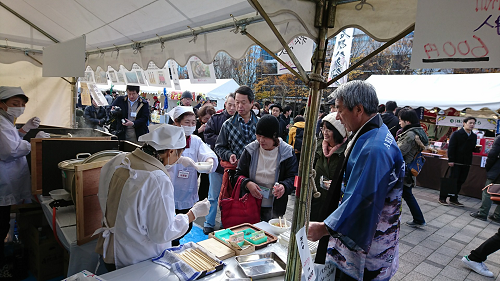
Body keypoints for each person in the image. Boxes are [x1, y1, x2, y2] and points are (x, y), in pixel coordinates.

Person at [307, 81, 405, 281]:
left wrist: (325, 228)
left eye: (340, 110)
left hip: (368, 248)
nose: (337, 117)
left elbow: (362, 200)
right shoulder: (375, 134)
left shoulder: (374, 148)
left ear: (358, 109)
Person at [94, 124, 211, 271]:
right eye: (179, 155)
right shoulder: (157, 179)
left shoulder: (119, 160)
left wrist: (178, 160)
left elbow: (103, 197)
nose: (179, 158)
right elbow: (162, 232)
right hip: (135, 258)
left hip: (109, 247)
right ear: (170, 152)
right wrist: (192, 214)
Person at [0, 87, 49, 268]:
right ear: (2, 104)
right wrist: (35, 142)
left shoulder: (6, 120)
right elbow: (9, 150)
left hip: (7, 177)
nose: (19, 107)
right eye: (15, 104)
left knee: (3, 219)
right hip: (3, 177)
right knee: (1, 222)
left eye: (22, 104)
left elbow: (11, 138)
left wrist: (25, 129)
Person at [167, 106, 218, 246]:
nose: (190, 126)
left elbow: (207, 154)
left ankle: (174, 242)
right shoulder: (168, 138)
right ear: (176, 122)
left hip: (187, 191)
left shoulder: (195, 141)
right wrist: (180, 160)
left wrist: (208, 161)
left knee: (186, 225)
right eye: (186, 122)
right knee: (168, 224)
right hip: (168, 190)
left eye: (193, 123)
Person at [234, 115, 298, 221]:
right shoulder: (250, 150)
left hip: (275, 206)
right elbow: (238, 174)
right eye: (258, 136)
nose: (261, 140)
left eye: (265, 137)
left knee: (271, 235)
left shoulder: (287, 152)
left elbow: (292, 177)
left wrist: (284, 186)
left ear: (275, 137)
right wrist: (248, 184)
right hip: (250, 203)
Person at [203, 93, 236, 234]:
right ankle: (208, 223)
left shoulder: (241, 121)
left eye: (235, 105)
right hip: (217, 166)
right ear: (225, 104)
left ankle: (225, 223)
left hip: (233, 167)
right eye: (230, 104)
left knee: (228, 198)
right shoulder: (216, 119)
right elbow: (207, 135)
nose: (232, 107)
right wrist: (224, 140)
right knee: (213, 196)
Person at [310, 113, 348, 222]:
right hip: (315, 199)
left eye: (329, 130)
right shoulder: (317, 146)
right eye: (323, 129)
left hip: (334, 202)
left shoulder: (346, 151)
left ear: (338, 131)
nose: (324, 133)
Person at [396, 108, 428, 227]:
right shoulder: (418, 131)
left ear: (407, 122)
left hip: (404, 169)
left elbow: (398, 151)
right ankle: (418, 219)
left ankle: (419, 219)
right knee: (407, 194)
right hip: (408, 168)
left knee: (406, 194)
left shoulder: (410, 134)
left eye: (401, 120)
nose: (399, 122)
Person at [214, 86, 259, 167]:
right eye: (237, 102)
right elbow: (219, 147)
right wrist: (229, 155)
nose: (239, 106)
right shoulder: (228, 124)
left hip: (258, 169)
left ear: (252, 103)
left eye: (243, 102)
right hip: (236, 171)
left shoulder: (260, 123)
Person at [439, 117, 477, 206]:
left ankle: (454, 198)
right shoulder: (456, 134)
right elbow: (451, 148)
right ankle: (442, 197)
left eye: (473, 123)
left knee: (461, 181)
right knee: (452, 180)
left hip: (466, 162)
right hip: (456, 161)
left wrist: (476, 149)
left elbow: (471, 148)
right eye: (470, 123)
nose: (472, 125)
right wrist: (451, 160)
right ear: (464, 123)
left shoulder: (473, 136)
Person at [470, 135, 500, 222]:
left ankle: (482, 213)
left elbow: (492, 154)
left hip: (497, 170)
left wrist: (489, 167)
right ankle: (497, 216)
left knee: (488, 191)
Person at [194, 104, 216, 200]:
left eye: (211, 118)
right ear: (201, 117)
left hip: (208, 156)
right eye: (206, 118)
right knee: (194, 177)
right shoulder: (196, 124)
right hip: (195, 155)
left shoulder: (214, 126)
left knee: (206, 179)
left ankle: (203, 199)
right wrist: (199, 130)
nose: (208, 121)